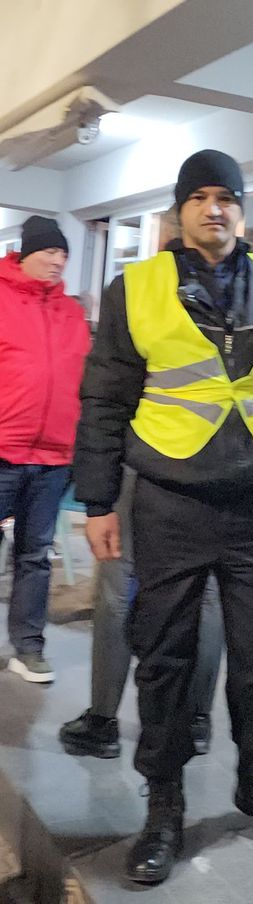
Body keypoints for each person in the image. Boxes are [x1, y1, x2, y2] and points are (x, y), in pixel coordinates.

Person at [74, 149, 253, 886]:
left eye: (226, 195)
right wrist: (98, 500)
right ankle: (162, 805)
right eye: (198, 196)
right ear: (179, 211)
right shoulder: (137, 288)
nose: (214, 208)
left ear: (242, 209)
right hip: (169, 502)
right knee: (163, 658)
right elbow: (103, 400)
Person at [58, 467, 224, 758]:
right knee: (209, 593)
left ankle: (102, 722)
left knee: (117, 590)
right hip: (218, 475)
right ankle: (196, 722)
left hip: (145, 466)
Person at [0, 216, 90, 683]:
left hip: (53, 457)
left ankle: (28, 648)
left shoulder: (71, 313)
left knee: (35, 555)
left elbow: (85, 382)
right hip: (3, 449)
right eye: (50, 252)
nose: (58, 261)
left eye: (64, 254)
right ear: (25, 252)